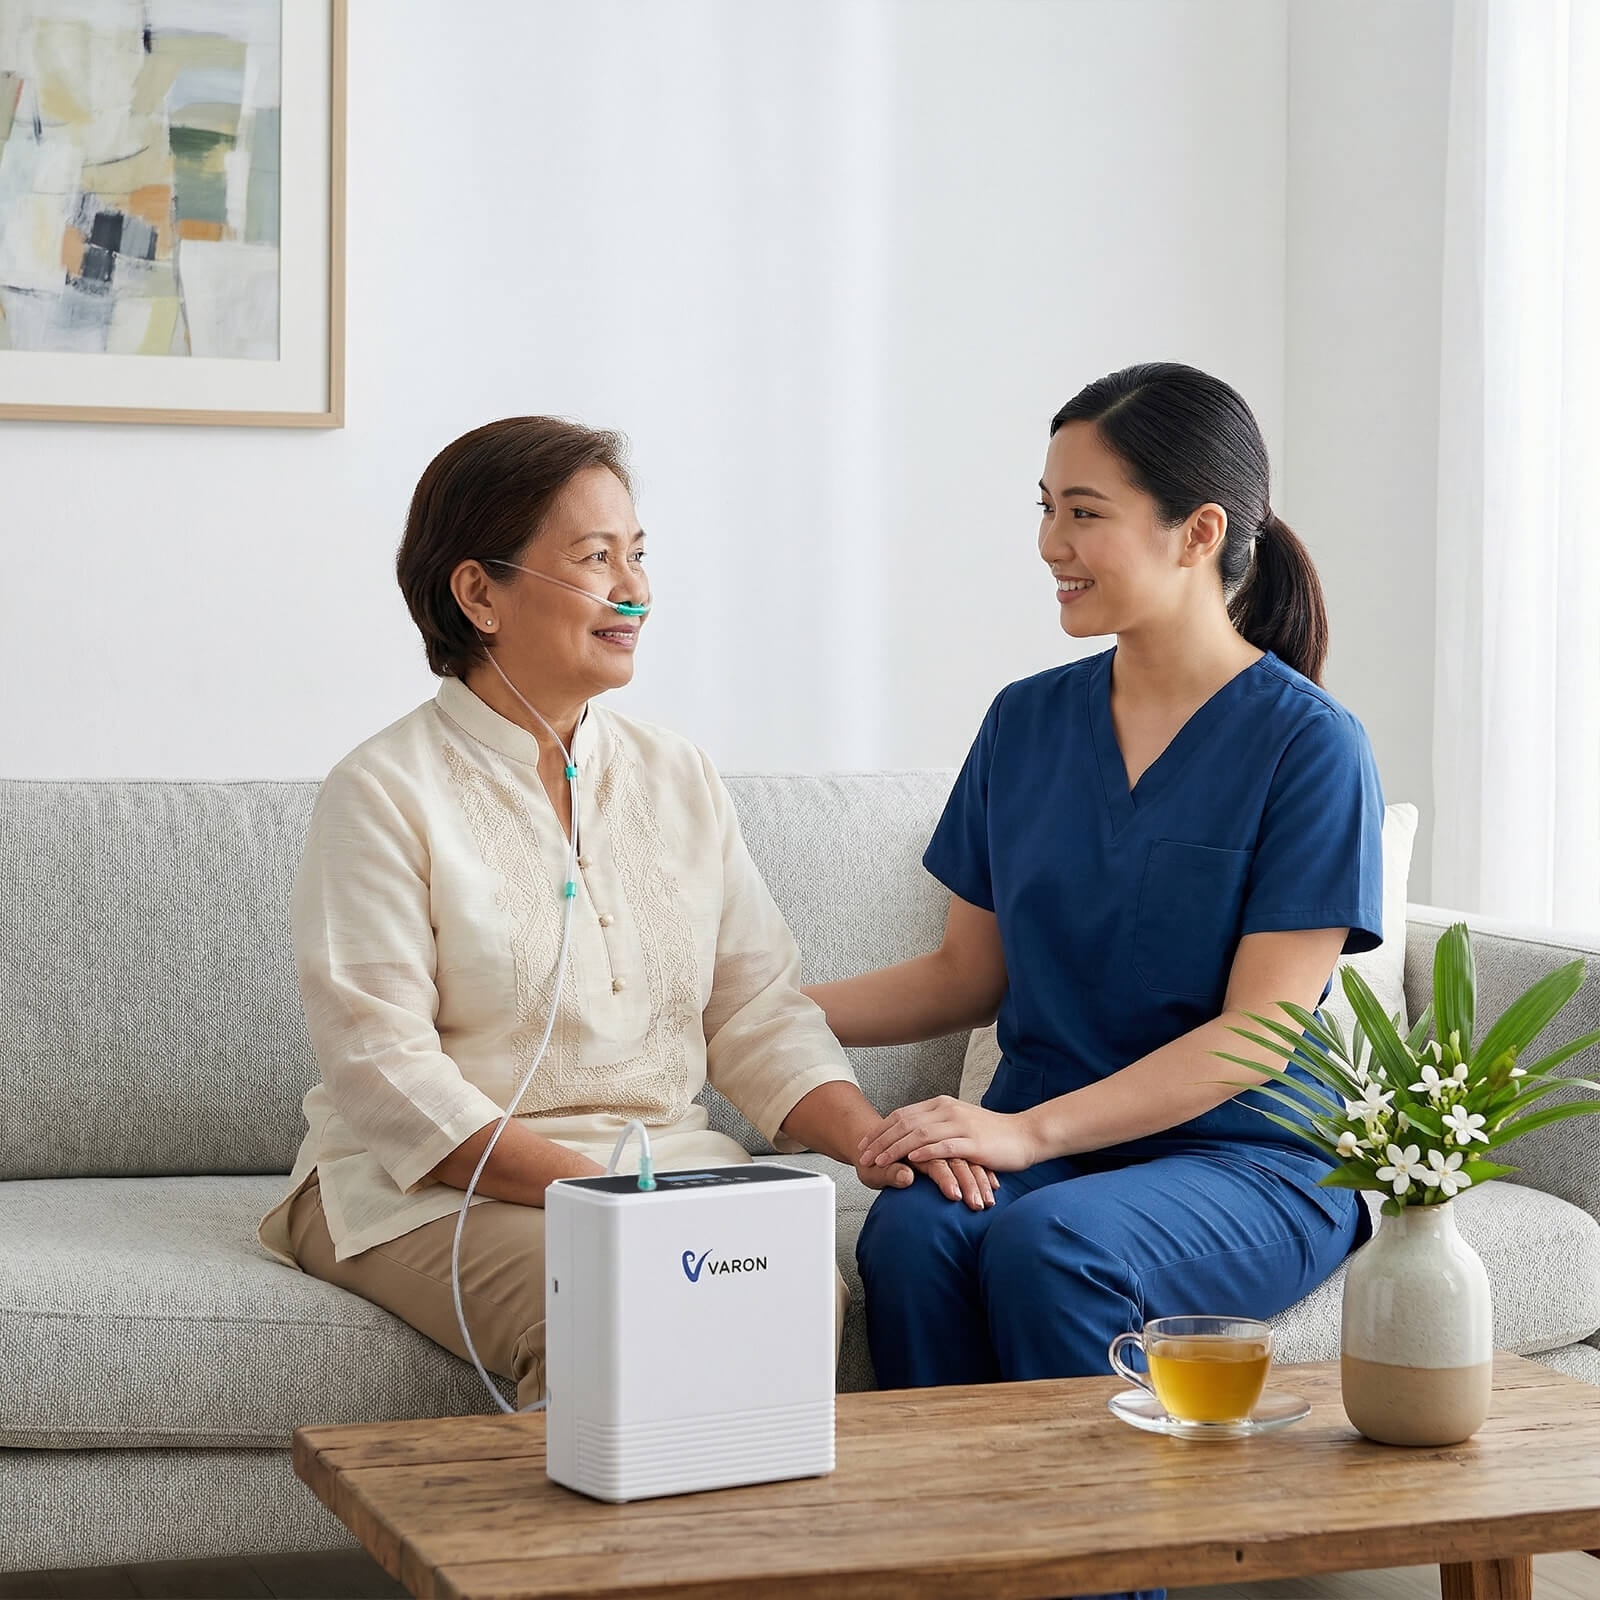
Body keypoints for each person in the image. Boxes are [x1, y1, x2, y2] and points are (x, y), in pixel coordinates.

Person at [258, 416, 995, 1408]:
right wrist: (610, 1201)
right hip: (423, 1188)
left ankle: (738, 1563)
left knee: (785, 1288)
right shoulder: (385, 791)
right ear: (479, 591)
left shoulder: (675, 774)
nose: (636, 590)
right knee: (622, 1296)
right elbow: (387, 1074)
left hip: (662, 1175)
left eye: (638, 555)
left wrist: (868, 1136)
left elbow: (753, 1010)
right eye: (594, 558)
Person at [806, 362, 1383, 1600]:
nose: (1048, 544)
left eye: (1082, 512)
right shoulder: (1026, 722)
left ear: (1198, 532)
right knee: (913, 1236)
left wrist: (1020, 1132)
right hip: (1057, 1139)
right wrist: (746, 1013)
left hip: (1252, 1156)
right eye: (1044, 507)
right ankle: (951, 1575)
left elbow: (1255, 1039)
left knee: (1049, 1247)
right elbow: (966, 972)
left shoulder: (1307, 745)